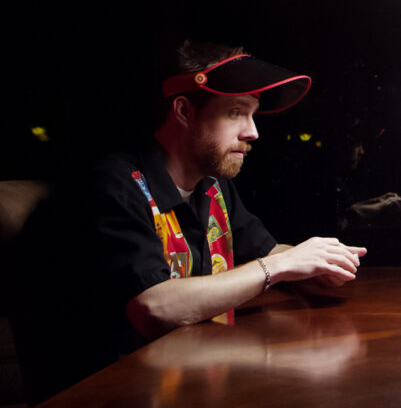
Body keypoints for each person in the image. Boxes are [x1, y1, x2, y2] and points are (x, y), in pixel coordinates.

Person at [91, 41, 367, 351]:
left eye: (252, 115)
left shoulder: (213, 183)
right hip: (121, 388)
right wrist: (281, 267)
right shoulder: (118, 182)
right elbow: (154, 307)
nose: (252, 132)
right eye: (236, 113)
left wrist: (316, 263)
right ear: (183, 111)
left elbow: (267, 251)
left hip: (199, 372)